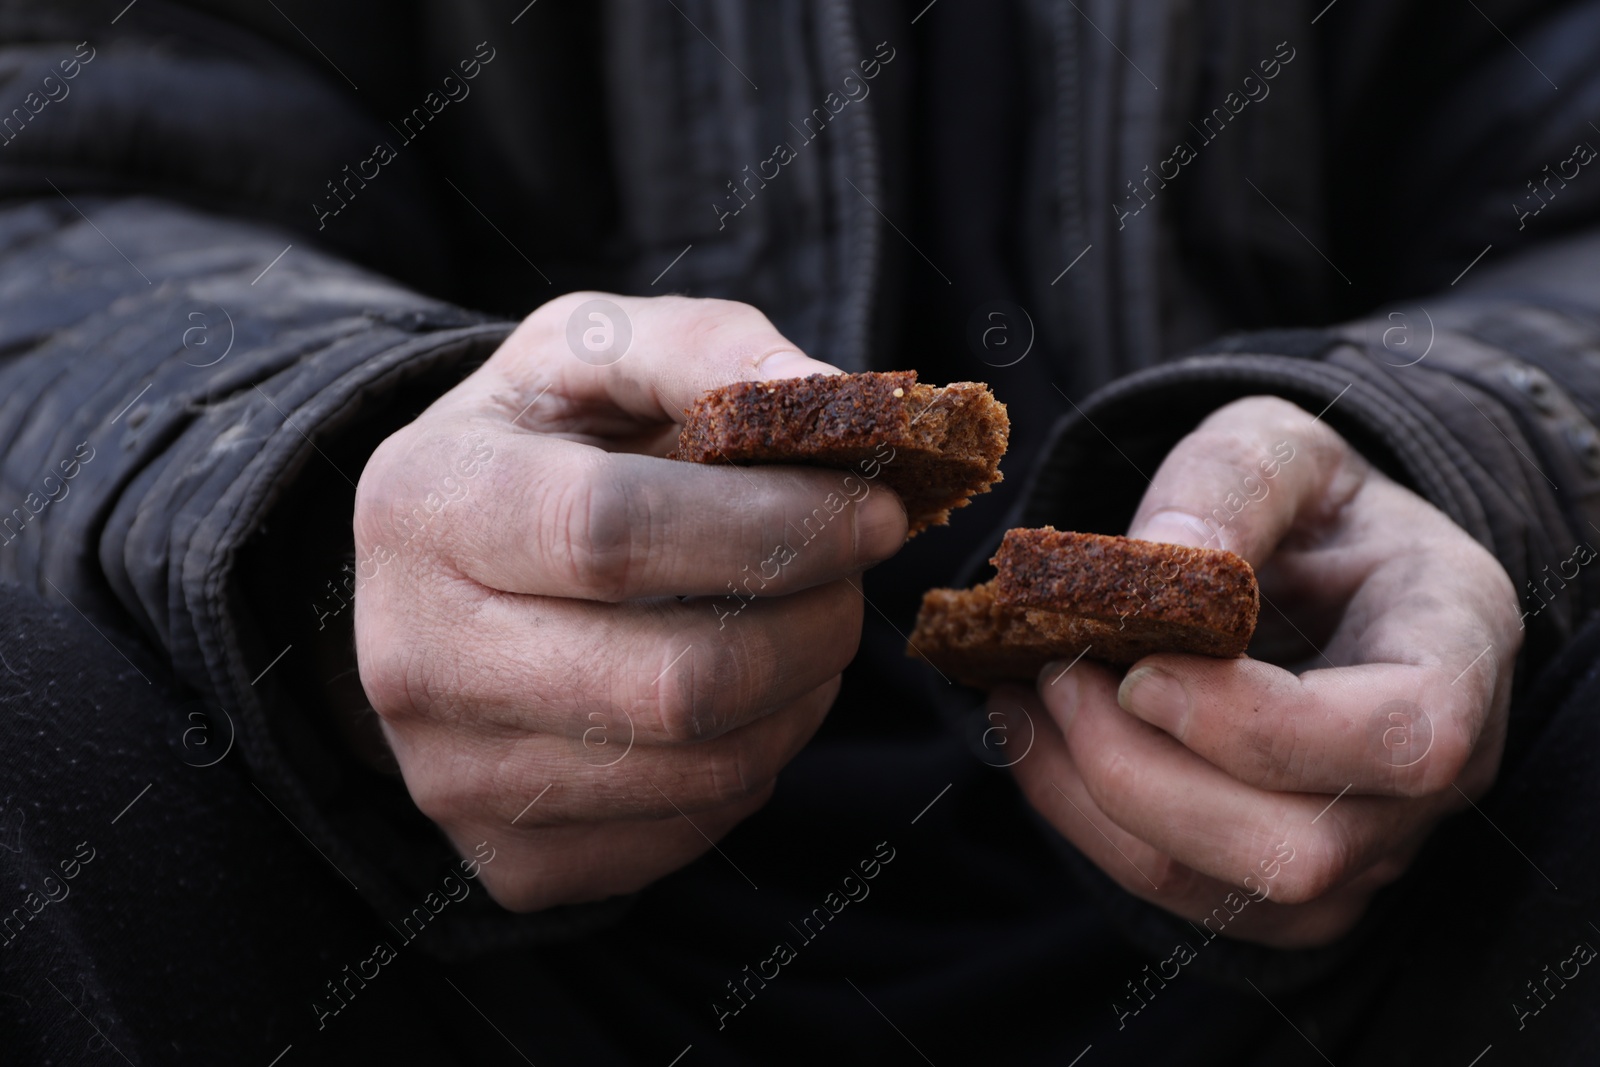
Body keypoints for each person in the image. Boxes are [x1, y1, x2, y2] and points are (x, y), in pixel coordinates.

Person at [2, 0, 1599, 1062]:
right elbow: (41, 186)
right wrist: (314, 504)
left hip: (1395, 924)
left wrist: (1471, 446)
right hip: (399, 924)